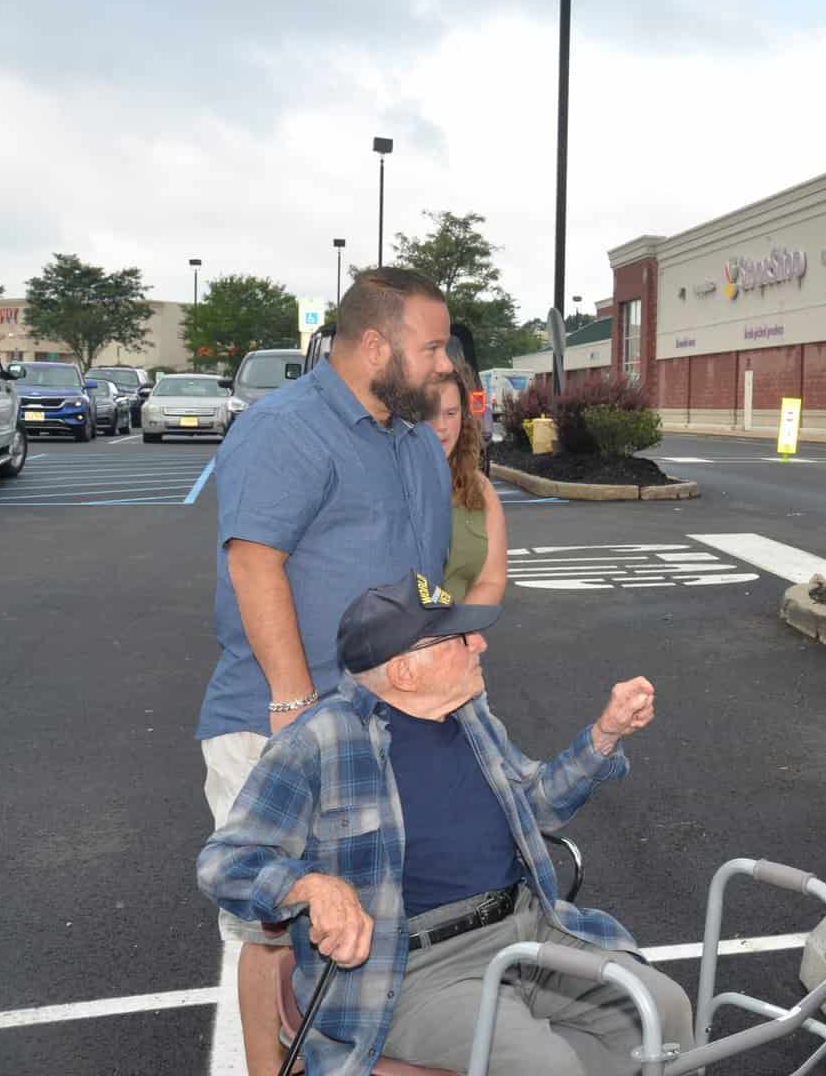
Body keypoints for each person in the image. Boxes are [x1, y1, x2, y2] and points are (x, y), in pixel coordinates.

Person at [198, 574, 692, 1076]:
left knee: (663, 1010)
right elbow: (226, 863)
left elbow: (536, 806)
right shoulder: (318, 742)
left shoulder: (471, 717)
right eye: (460, 638)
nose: (480, 642)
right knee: (545, 1065)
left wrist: (603, 737)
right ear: (407, 671)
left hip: (527, 928)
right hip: (410, 969)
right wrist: (313, 887)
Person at [195, 267, 455, 1074]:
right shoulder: (286, 428)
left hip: (380, 727)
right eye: (432, 347)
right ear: (374, 345)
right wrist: (293, 703)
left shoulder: (412, 441)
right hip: (277, 724)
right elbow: (254, 563)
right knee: (271, 924)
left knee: (365, 920)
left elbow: (423, 580)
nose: (444, 365)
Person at [431, 365, 508, 604]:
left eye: (451, 413)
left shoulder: (480, 488)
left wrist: (456, 633)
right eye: (429, 414)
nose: (441, 426)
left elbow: (491, 580)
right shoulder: (384, 483)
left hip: (460, 635)